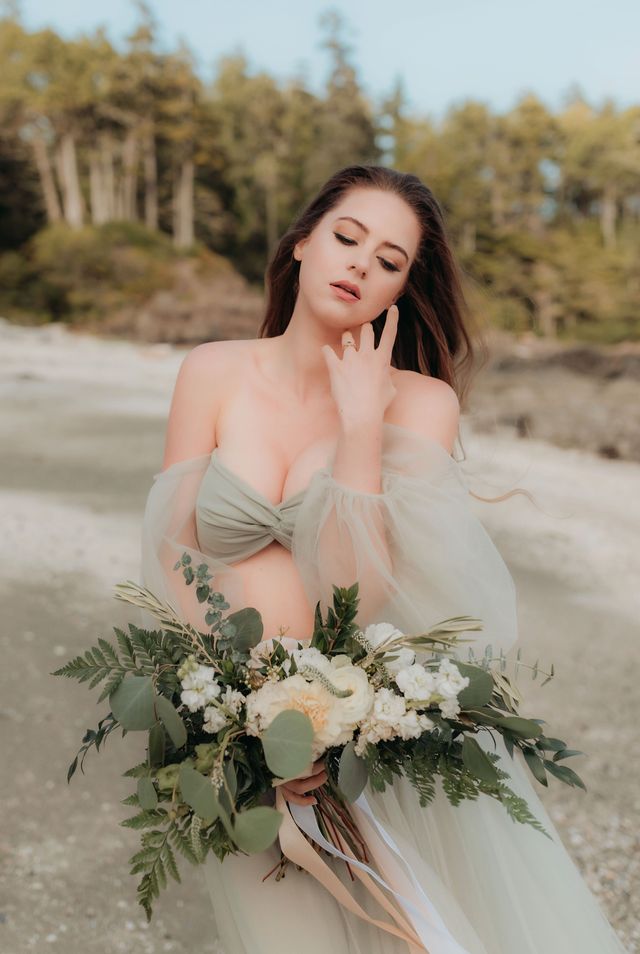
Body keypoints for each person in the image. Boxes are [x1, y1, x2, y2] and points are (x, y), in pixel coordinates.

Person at [139, 165, 629, 952]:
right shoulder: (212, 371)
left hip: (369, 733)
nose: (362, 263)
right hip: (237, 731)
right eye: (347, 236)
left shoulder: (422, 404)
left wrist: (361, 425)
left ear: (399, 290)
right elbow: (172, 558)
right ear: (302, 242)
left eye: (391, 260)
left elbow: (356, 596)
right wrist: (228, 716)